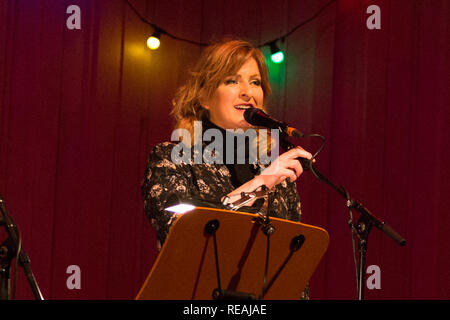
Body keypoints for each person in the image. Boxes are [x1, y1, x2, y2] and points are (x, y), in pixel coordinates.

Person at [141, 40, 313, 298]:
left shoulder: (278, 176)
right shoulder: (171, 159)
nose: (247, 92)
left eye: (255, 82)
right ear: (204, 97)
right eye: (232, 81)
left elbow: (292, 271)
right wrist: (259, 185)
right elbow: (181, 233)